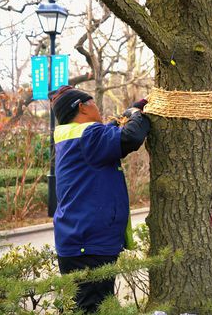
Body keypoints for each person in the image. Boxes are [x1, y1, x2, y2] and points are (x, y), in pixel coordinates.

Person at [49, 85, 150, 313]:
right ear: (82, 107)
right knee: (92, 309)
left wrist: (132, 109)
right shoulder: (88, 136)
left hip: (79, 240)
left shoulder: (72, 136)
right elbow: (132, 136)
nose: (98, 107)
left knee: (88, 307)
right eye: (93, 102)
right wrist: (141, 116)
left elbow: (109, 132)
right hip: (88, 244)